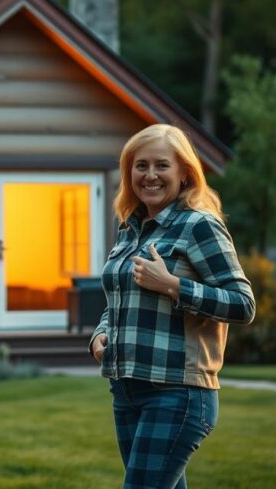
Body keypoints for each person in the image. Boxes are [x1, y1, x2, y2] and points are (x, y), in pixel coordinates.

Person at [90, 123, 255, 489]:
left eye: (161, 165)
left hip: (177, 392)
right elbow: (120, 298)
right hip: (126, 389)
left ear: (184, 173)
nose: (150, 175)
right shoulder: (130, 228)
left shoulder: (199, 226)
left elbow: (243, 304)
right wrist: (100, 336)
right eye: (141, 165)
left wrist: (173, 286)